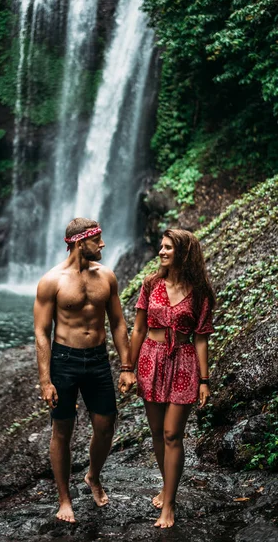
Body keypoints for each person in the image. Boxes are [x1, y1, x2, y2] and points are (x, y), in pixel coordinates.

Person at [34, 218, 136, 523]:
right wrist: (44, 380)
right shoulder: (51, 281)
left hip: (97, 360)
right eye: (98, 240)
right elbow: (41, 332)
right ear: (81, 243)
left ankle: (93, 476)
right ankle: (64, 499)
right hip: (64, 360)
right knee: (62, 430)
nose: (103, 244)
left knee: (106, 425)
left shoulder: (107, 277)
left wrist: (127, 367)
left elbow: (118, 323)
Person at [129, 228, 215, 529]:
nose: (162, 252)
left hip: (184, 362)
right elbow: (138, 329)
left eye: (168, 248)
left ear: (184, 253)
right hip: (151, 359)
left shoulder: (200, 291)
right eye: (161, 247)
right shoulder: (150, 284)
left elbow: (201, 338)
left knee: (171, 434)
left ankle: (169, 504)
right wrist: (128, 368)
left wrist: (205, 380)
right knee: (156, 433)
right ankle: (167, 487)